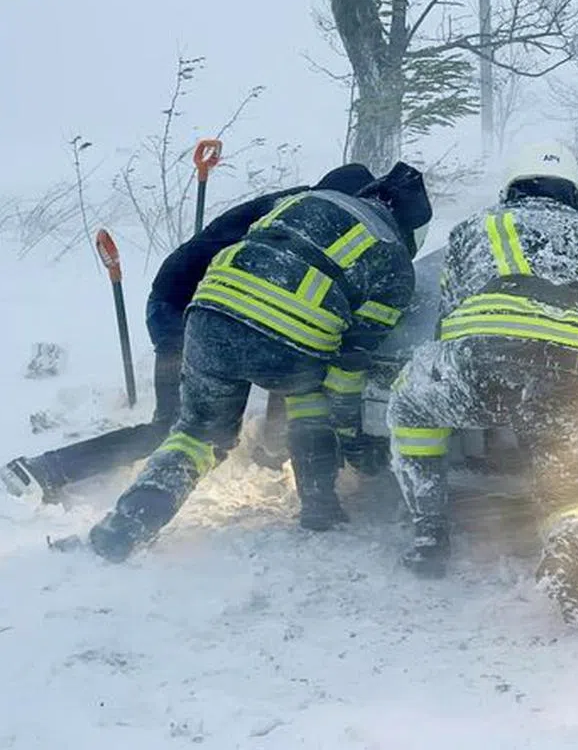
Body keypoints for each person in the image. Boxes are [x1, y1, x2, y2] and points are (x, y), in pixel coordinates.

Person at [87, 161, 431, 562]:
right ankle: (320, 507)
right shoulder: (394, 262)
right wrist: (352, 439)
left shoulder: (303, 201)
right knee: (309, 397)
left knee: (197, 434)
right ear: (412, 231)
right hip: (290, 341)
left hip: (209, 316)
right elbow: (348, 366)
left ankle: (129, 523)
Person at [0, 164, 377, 503]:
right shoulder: (305, 219)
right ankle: (45, 469)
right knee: (173, 427)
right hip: (184, 310)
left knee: (289, 355)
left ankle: (271, 449)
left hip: (219, 308)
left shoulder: (302, 208)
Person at [385, 141, 578, 630]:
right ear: (573, 193)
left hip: (487, 355)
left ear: (511, 188)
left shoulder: (477, 227)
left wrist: (471, 381)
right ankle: (570, 550)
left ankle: (430, 531)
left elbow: (450, 317)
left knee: (411, 404)